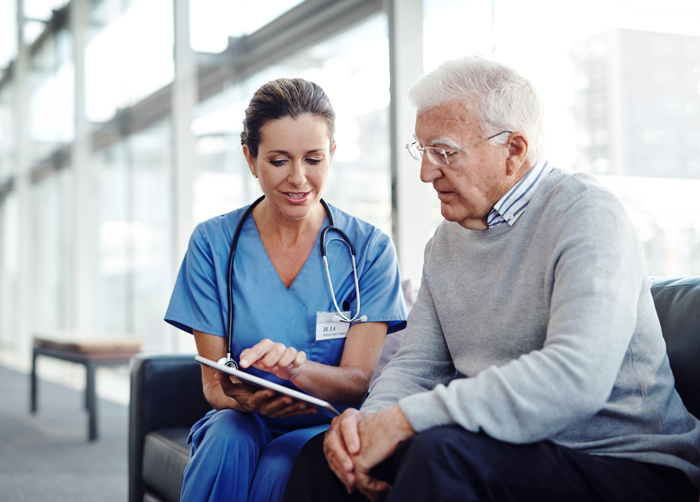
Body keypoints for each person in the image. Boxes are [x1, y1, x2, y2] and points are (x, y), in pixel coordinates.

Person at [283, 56, 700, 502]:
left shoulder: (587, 213)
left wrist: (406, 420)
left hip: (626, 463)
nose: (426, 172)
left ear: (513, 150)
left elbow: (576, 377)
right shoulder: (444, 243)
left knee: (439, 454)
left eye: (443, 151)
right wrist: (370, 426)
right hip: (502, 452)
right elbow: (416, 366)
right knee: (321, 459)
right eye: (421, 151)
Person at [164, 77, 407, 502]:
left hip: (324, 422)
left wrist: (296, 374)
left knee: (281, 464)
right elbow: (213, 385)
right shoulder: (212, 244)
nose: (299, 179)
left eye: (313, 159)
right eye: (279, 160)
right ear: (250, 158)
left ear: (332, 154)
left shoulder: (368, 249)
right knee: (227, 438)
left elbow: (357, 381)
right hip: (241, 418)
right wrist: (241, 397)